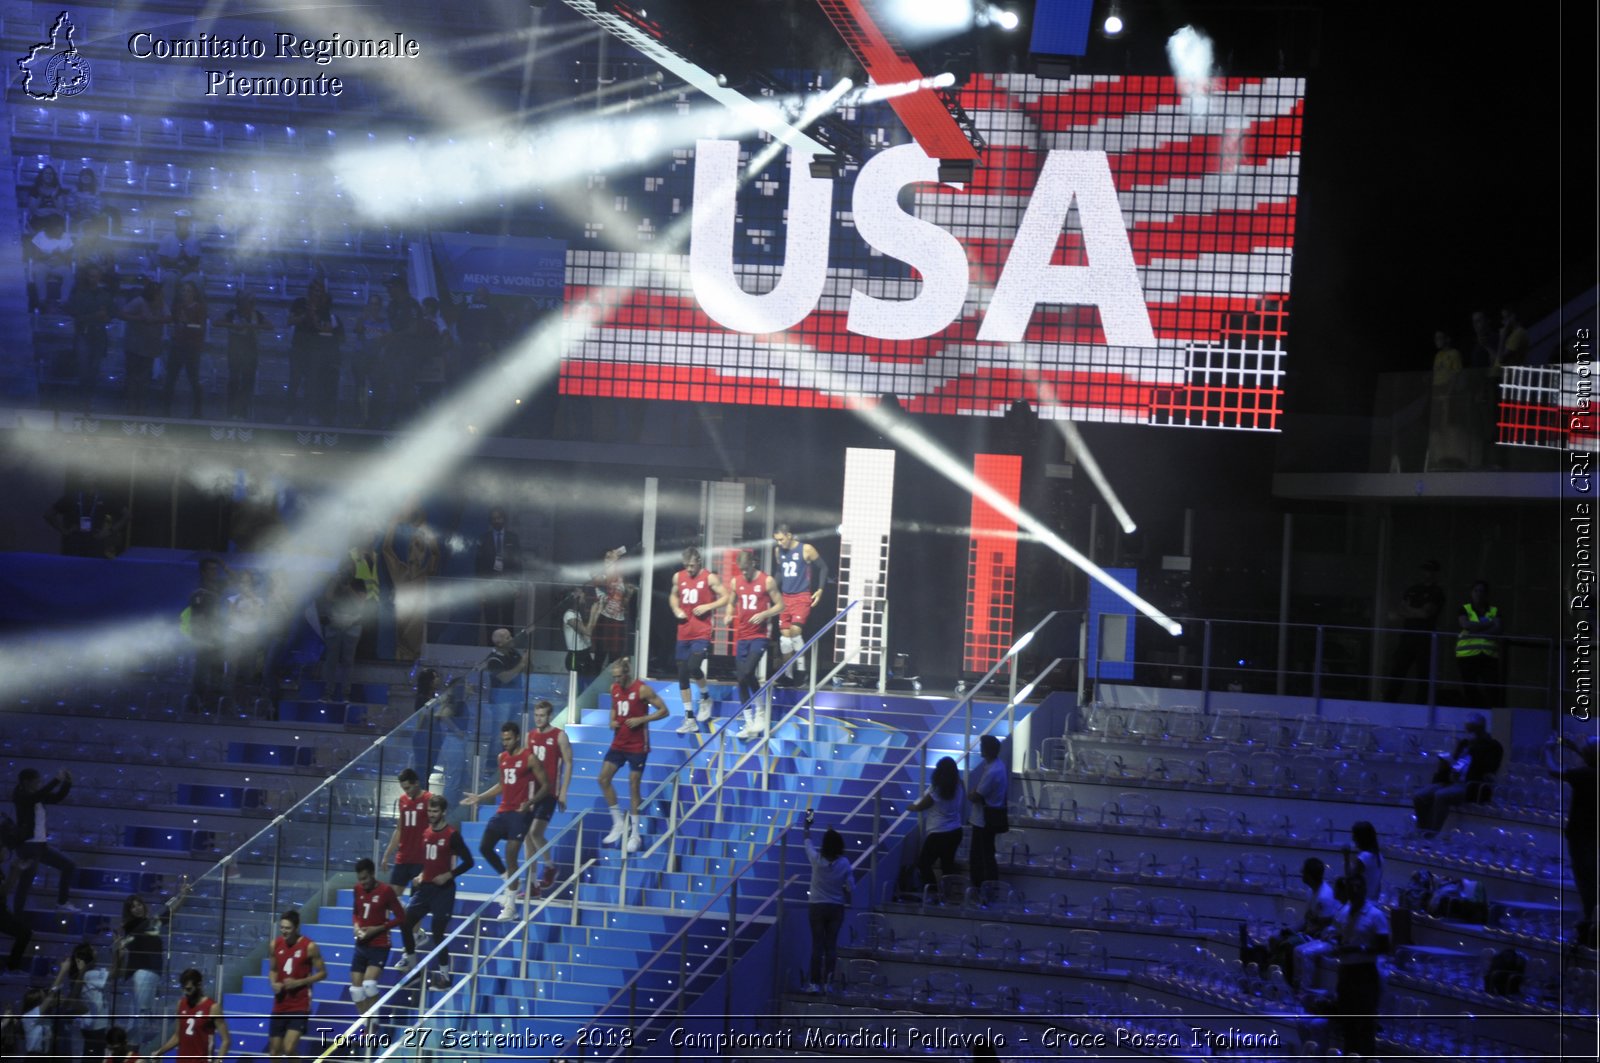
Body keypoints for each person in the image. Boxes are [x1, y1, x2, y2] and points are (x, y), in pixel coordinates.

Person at [461, 722, 543, 920]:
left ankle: (511, 906)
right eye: (503, 739)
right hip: (503, 811)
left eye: (508, 739)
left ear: (516, 737)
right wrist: (480, 797)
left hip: (520, 813)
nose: (504, 743)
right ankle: (509, 880)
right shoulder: (502, 757)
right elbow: (501, 784)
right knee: (484, 848)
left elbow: (546, 784)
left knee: (511, 855)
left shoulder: (529, 757)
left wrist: (531, 802)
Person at [395, 795, 473, 988]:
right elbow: (428, 861)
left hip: (443, 891)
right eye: (429, 811)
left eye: (435, 811)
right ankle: (413, 968)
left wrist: (449, 875)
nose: (431, 815)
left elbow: (469, 862)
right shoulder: (426, 832)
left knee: (438, 933)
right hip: (425, 888)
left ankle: (445, 976)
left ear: (443, 812)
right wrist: (422, 874)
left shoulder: (452, 835)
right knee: (405, 922)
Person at [599, 657, 670, 854]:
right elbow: (614, 709)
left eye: (619, 677)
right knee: (603, 779)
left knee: (633, 785)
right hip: (619, 742)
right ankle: (618, 823)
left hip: (638, 745)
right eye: (614, 677)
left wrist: (642, 719)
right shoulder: (614, 688)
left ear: (626, 674)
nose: (617, 680)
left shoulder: (642, 689)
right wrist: (612, 721)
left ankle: (635, 834)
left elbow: (664, 710)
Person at [116, 889, 190, 1048]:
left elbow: (165, 917)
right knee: (141, 1012)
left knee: (141, 1012)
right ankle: (130, 1048)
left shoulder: (146, 923)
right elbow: (164, 917)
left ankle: (132, 1047)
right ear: (129, 911)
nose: (137, 908)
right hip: (143, 971)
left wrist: (182, 897)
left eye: (139, 904)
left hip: (150, 972)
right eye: (133, 907)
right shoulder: (133, 925)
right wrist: (181, 897)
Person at [1327, 873, 1390, 1058]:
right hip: (1346, 972)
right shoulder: (1344, 913)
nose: (1354, 891)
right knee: (1348, 1025)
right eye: (1350, 888)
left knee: (1365, 1026)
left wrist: (1359, 948)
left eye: (1357, 887)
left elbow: (1385, 946)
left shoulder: (1375, 915)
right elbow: (1338, 935)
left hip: (1365, 974)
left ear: (1364, 889)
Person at [669, 547, 729, 735]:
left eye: (692, 566)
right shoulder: (678, 577)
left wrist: (707, 606)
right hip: (683, 632)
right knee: (682, 673)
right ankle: (689, 718)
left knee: (693, 667)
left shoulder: (709, 577)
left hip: (701, 632)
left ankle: (705, 697)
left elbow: (726, 597)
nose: (689, 570)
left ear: (699, 563)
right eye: (686, 566)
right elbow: (673, 595)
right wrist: (676, 609)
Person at [1412, 713, 1504, 834]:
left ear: (1480, 729)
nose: (1468, 732)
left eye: (1471, 729)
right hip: (1452, 781)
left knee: (1441, 795)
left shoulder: (1493, 746)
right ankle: (1423, 829)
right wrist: (1446, 765)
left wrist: (1474, 750)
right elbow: (1455, 762)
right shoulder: (1464, 743)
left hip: (1471, 785)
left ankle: (1433, 833)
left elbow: (1488, 769)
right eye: (1467, 729)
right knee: (1420, 795)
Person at [1545, 734, 1598, 943]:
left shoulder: (1584, 774)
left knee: (1585, 879)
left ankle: (1590, 923)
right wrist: (1575, 747)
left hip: (1581, 834)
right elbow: (1591, 757)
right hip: (1594, 833)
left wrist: (1548, 751)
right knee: (1591, 877)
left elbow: (1554, 770)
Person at [727, 549, 783, 738]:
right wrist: (728, 614)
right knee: (741, 679)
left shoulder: (766, 581)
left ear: (753, 564)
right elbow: (731, 600)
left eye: (745, 569)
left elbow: (780, 605)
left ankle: (760, 711)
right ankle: (748, 722)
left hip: (760, 635)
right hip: (742, 634)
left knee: (748, 672)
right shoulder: (736, 581)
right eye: (740, 570)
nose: (743, 573)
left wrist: (764, 614)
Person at [523, 699, 572, 899]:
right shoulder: (530, 736)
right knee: (527, 837)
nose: (538, 719)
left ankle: (550, 866)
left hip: (549, 792)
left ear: (549, 716)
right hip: (531, 791)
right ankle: (532, 884)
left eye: (542, 715)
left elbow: (568, 763)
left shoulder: (559, 736)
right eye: (536, 715)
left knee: (535, 832)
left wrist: (563, 791)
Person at [801, 810, 852, 993]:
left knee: (817, 945)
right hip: (836, 907)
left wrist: (807, 825)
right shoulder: (844, 863)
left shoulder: (816, 860)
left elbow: (807, 842)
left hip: (816, 906)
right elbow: (850, 887)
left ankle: (814, 983)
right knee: (831, 946)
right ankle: (829, 982)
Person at [11, 767, 76, 913]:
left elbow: (57, 797)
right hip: (28, 846)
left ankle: (62, 902)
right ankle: (17, 915)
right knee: (25, 883)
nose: (39, 783)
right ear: (26, 782)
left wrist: (67, 783)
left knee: (69, 866)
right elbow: (36, 797)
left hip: (41, 845)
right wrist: (56, 780)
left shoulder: (37, 796)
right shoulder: (21, 796)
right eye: (37, 781)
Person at [348, 858, 405, 1021]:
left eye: (365, 878)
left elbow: (401, 917)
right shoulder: (357, 889)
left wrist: (378, 928)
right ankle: (367, 1025)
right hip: (361, 944)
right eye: (360, 879)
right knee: (356, 991)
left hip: (379, 944)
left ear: (373, 874)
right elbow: (356, 912)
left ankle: (374, 1024)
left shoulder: (386, 891)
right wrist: (356, 926)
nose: (362, 883)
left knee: (369, 985)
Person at [772, 524, 829, 682]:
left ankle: (802, 671)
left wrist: (820, 589)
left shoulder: (806, 549)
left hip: (801, 596)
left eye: (781, 539)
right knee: (785, 638)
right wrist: (772, 587)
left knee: (795, 631)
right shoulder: (778, 551)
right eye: (777, 540)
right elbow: (779, 571)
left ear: (789, 535)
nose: (779, 543)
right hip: (785, 597)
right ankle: (787, 674)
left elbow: (823, 567)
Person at [266, 910, 325, 1061]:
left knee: (289, 1047)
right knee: (274, 1052)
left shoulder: (309, 946)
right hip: (280, 1004)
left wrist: (300, 982)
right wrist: (273, 983)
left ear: (297, 928)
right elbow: (273, 970)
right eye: (282, 928)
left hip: (299, 1004)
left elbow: (322, 973)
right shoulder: (275, 944)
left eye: (288, 928)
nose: (284, 931)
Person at [1384, 560, 1446, 702]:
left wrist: (1409, 611)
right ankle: (1389, 700)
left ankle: (1422, 704)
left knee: (1423, 673)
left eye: (1430, 570)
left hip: (1424, 638)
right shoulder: (1412, 589)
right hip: (1408, 635)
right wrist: (1415, 612)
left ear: (1435, 573)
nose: (1427, 573)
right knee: (1398, 668)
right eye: (1425, 570)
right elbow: (1399, 611)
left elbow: (1426, 613)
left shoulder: (1436, 592)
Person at [908, 756, 966, 892]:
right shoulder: (959, 784)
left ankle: (933, 892)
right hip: (956, 831)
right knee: (947, 866)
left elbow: (920, 806)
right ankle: (946, 896)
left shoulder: (937, 790)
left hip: (938, 833)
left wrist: (911, 807)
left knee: (924, 864)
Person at [152, 968, 229, 1063]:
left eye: (189, 989)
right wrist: (159, 1052)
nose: (185, 992)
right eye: (183, 989)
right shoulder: (181, 1004)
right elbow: (177, 1036)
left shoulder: (212, 1007)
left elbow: (226, 1040)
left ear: (199, 985)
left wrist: (219, 1061)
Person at [50, 942, 109, 1062]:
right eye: (93, 950)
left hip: (91, 1028)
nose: (96, 952)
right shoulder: (87, 976)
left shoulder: (83, 977)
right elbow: (64, 1001)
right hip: (91, 1029)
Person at [184, 558, 229, 710]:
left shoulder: (218, 587)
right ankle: (195, 706)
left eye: (216, 569)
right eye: (211, 569)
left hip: (218, 638)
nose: (214, 572)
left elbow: (235, 580)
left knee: (218, 673)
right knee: (201, 674)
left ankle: (213, 706)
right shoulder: (199, 593)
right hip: (205, 639)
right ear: (203, 572)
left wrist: (225, 566)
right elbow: (196, 619)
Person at [218, 290, 269, 421]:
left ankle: (242, 412)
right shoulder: (232, 314)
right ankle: (231, 411)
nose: (247, 307)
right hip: (235, 352)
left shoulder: (256, 315)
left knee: (248, 383)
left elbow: (270, 326)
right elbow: (217, 322)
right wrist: (234, 325)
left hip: (251, 353)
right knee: (234, 381)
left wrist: (252, 326)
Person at [119, 279, 166, 416]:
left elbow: (169, 317)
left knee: (144, 378)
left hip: (150, 346)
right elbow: (122, 314)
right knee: (133, 376)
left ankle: (141, 405)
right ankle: (131, 405)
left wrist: (155, 320)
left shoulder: (161, 303)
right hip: (134, 345)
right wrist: (139, 318)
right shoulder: (139, 301)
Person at [161, 281, 208, 419]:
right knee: (170, 379)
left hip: (192, 347)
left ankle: (197, 411)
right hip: (177, 346)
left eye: (188, 291)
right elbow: (173, 323)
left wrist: (187, 324)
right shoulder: (177, 307)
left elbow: (200, 328)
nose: (185, 293)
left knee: (193, 379)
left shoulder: (199, 308)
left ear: (194, 293)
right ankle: (165, 410)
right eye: (183, 290)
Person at [966, 735, 1009, 888]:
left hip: (983, 820)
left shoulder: (992, 771)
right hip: (990, 816)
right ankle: (988, 888)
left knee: (979, 857)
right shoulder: (999, 766)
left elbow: (976, 795)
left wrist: (970, 794)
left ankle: (981, 889)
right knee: (987, 854)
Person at [381, 768, 431, 897]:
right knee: (391, 898)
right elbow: (399, 829)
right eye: (404, 788)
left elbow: (435, 831)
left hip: (421, 859)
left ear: (416, 783)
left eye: (408, 788)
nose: (406, 792)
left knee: (416, 902)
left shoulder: (429, 799)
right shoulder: (403, 800)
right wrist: (387, 854)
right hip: (403, 857)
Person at [473, 508, 522, 637]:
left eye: (499, 518)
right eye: (494, 518)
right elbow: (479, 566)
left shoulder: (513, 537)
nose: (497, 521)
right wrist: (480, 588)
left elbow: (518, 564)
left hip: (508, 584)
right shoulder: (484, 538)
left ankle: (508, 649)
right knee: (490, 617)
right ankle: (491, 649)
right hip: (490, 584)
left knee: (508, 618)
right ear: (490, 521)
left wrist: (517, 586)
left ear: (504, 519)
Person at [68, 263, 115, 396]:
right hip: (83, 334)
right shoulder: (79, 294)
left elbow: (112, 314)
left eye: (95, 276)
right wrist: (94, 316)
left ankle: (89, 398)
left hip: (99, 334)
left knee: (95, 368)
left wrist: (106, 317)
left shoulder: (105, 295)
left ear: (99, 278)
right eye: (90, 276)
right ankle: (82, 398)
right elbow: (75, 315)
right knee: (83, 368)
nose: (92, 279)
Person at [1455, 581, 1503, 708]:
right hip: (1467, 655)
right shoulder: (1465, 608)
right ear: (1471, 593)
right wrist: (1489, 624)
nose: (1479, 594)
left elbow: (1498, 628)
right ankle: (1472, 714)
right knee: (1470, 688)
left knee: (1492, 688)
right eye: (1476, 591)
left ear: (1486, 594)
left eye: (1482, 591)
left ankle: (1491, 716)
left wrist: (1476, 629)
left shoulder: (1494, 610)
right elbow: (1465, 625)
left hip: (1489, 655)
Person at [320, 574, 365, 703]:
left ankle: (346, 694)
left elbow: (361, 605)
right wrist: (335, 582)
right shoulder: (332, 582)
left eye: (349, 568)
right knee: (331, 660)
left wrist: (349, 588)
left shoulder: (358, 582)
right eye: (343, 569)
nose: (346, 571)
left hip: (352, 626)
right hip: (334, 625)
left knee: (348, 661)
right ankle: (328, 693)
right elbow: (327, 599)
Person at [590, 548, 635, 667]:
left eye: (612, 557)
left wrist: (629, 595)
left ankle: (614, 684)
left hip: (619, 621)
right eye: (607, 557)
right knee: (600, 656)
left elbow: (623, 604)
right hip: (604, 619)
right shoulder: (598, 573)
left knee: (615, 659)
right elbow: (604, 581)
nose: (611, 559)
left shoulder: (620, 577)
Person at [561, 589, 597, 690]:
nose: (584, 596)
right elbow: (587, 631)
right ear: (575, 599)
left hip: (585, 654)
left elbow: (588, 631)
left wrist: (597, 612)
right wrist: (594, 613)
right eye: (581, 595)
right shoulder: (569, 615)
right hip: (575, 656)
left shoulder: (577, 613)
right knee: (578, 687)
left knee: (590, 685)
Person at [1343, 821, 1385, 903]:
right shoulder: (1379, 856)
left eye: (1354, 836)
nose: (1352, 839)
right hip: (1372, 901)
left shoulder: (1364, 857)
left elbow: (1349, 877)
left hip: (1361, 902)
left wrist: (1346, 856)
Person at [485, 627, 530, 694]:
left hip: (517, 694)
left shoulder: (514, 653)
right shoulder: (493, 659)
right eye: (508, 638)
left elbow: (527, 670)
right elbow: (505, 679)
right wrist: (522, 664)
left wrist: (527, 661)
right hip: (501, 697)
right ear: (500, 644)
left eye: (511, 636)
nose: (512, 639)